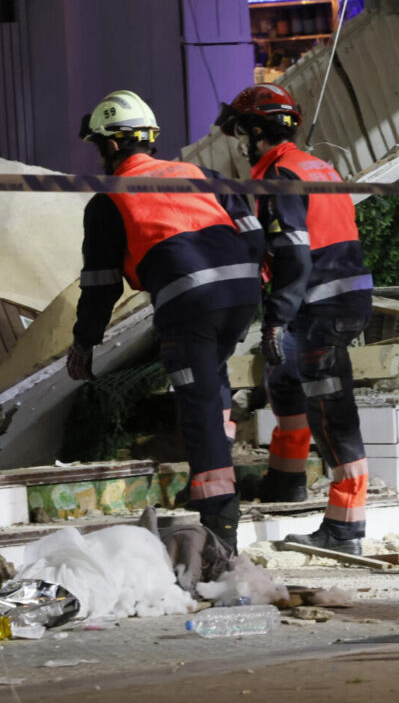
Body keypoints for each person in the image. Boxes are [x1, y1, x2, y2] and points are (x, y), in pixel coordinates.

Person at [67, 90, 263, 553]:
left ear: (111, 146)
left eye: (98, 147)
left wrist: (83, 342)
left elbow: (100, 285)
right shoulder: (202, 175)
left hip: (190, 303)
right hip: (242, 292)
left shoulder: (109, 199)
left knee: (195, 406)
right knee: (210, 382)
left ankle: (219, 526)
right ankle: (208, 481)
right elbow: (252, 236)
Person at [216, 83, 374, 556]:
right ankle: (286, 481)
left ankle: (346, 530)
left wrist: (275, 320)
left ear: (259, 130)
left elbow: (294, 258)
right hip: (332, 300)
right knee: (284, 380)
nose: (240, 142)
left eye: (243, 131)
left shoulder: (281, 175)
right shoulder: (314, 166)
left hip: (320, 307)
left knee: (332, 415)